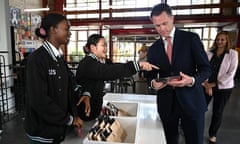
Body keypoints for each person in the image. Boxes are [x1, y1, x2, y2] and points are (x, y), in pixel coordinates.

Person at [147, 3, 211, 144]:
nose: (162, 29)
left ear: (173, 19)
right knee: (169, 141)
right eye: (157, 26)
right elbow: (150, 76)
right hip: (167, 103)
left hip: (192, 100)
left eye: (165, 23)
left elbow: (206, 69)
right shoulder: (153, 49)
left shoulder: (191, 39)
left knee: (194, 140)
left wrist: (192, 80)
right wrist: (153, 83)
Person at [24, 13, 90, 144]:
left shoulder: (59, 58)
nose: (70, 33)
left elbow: (70, 87)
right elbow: (39, 99)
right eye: (67, 29)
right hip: (42, 133)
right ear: (53, 29)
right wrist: (69, 119)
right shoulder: (37, 59)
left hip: (58, 130)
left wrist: (85, 94)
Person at [76, 34, 158, 121]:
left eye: (106, 45)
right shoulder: (88, 63)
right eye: (103, 45)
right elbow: (110, 71)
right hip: (85, 111)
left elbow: (114, 67)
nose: (106, 48)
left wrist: (137, 66)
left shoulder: (99, 61)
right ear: (93, 47)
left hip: (93, 108)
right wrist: (137, 65)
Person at [203, 31, 238, 144]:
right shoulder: (209, 52)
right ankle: (193, 128)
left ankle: (213, 134)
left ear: (227, 41)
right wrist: (206, 84)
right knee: (200, 108)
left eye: (222, 39)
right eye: (218, 39)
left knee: (217, 112)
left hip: (223, 88)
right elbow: (203, 68)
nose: (219, 41)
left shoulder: (232, 54)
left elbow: (231, 73)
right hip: (207, 85)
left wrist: (213, 85)